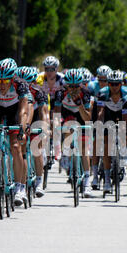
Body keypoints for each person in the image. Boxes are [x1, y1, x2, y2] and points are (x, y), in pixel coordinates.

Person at [0, 59, 31, 206]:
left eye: (6, 80)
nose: (2, 84)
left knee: (16, 147)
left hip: (15, 111)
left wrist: (22, 127)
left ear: (12, 78)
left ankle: (20, 187)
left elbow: (23, 110)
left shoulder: (20, 85)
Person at [53, 69, 93, 197]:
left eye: (76, 86)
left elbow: (87, 118)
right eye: (70, 86)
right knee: (67, 129)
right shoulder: (60, 93)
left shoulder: (85, 93)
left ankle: (87, 182)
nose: (73, 89)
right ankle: (67, 155)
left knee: (83, 148)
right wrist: (57, 128)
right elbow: (57, 114)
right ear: (66, 84)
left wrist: (79, 104)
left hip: (81, 116)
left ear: (81, 85)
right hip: (67, 114)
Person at [96, 69, 127, 193]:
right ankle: (106, 180)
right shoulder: (102, 93)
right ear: (108, 84)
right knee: (106, 145)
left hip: (124, 114)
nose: (114, 87)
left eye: (117, 84)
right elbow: (100, 112)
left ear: (121, 84)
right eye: (111, 84)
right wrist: (100, 125)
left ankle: (125, 153)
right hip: (108, 114)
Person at [17, 66, 49, 198]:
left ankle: (39, 181)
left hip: (35, 118)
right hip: (22, 117)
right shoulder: (16, 90)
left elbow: (44, 113)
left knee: (37, 148)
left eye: (28, 83)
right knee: (22, 148)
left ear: (33, 82)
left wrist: (45, 129)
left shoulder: (39, 92)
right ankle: (21, 184)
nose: (25, 86)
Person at [87, 65, 111, 189]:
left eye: (105, 80)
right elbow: (91, 105)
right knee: (96, 144)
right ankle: (95, 176)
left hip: (110, 114)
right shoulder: (92, 87)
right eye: (100, 80)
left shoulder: (112, 87)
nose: (102, 82)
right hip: (96, 114)